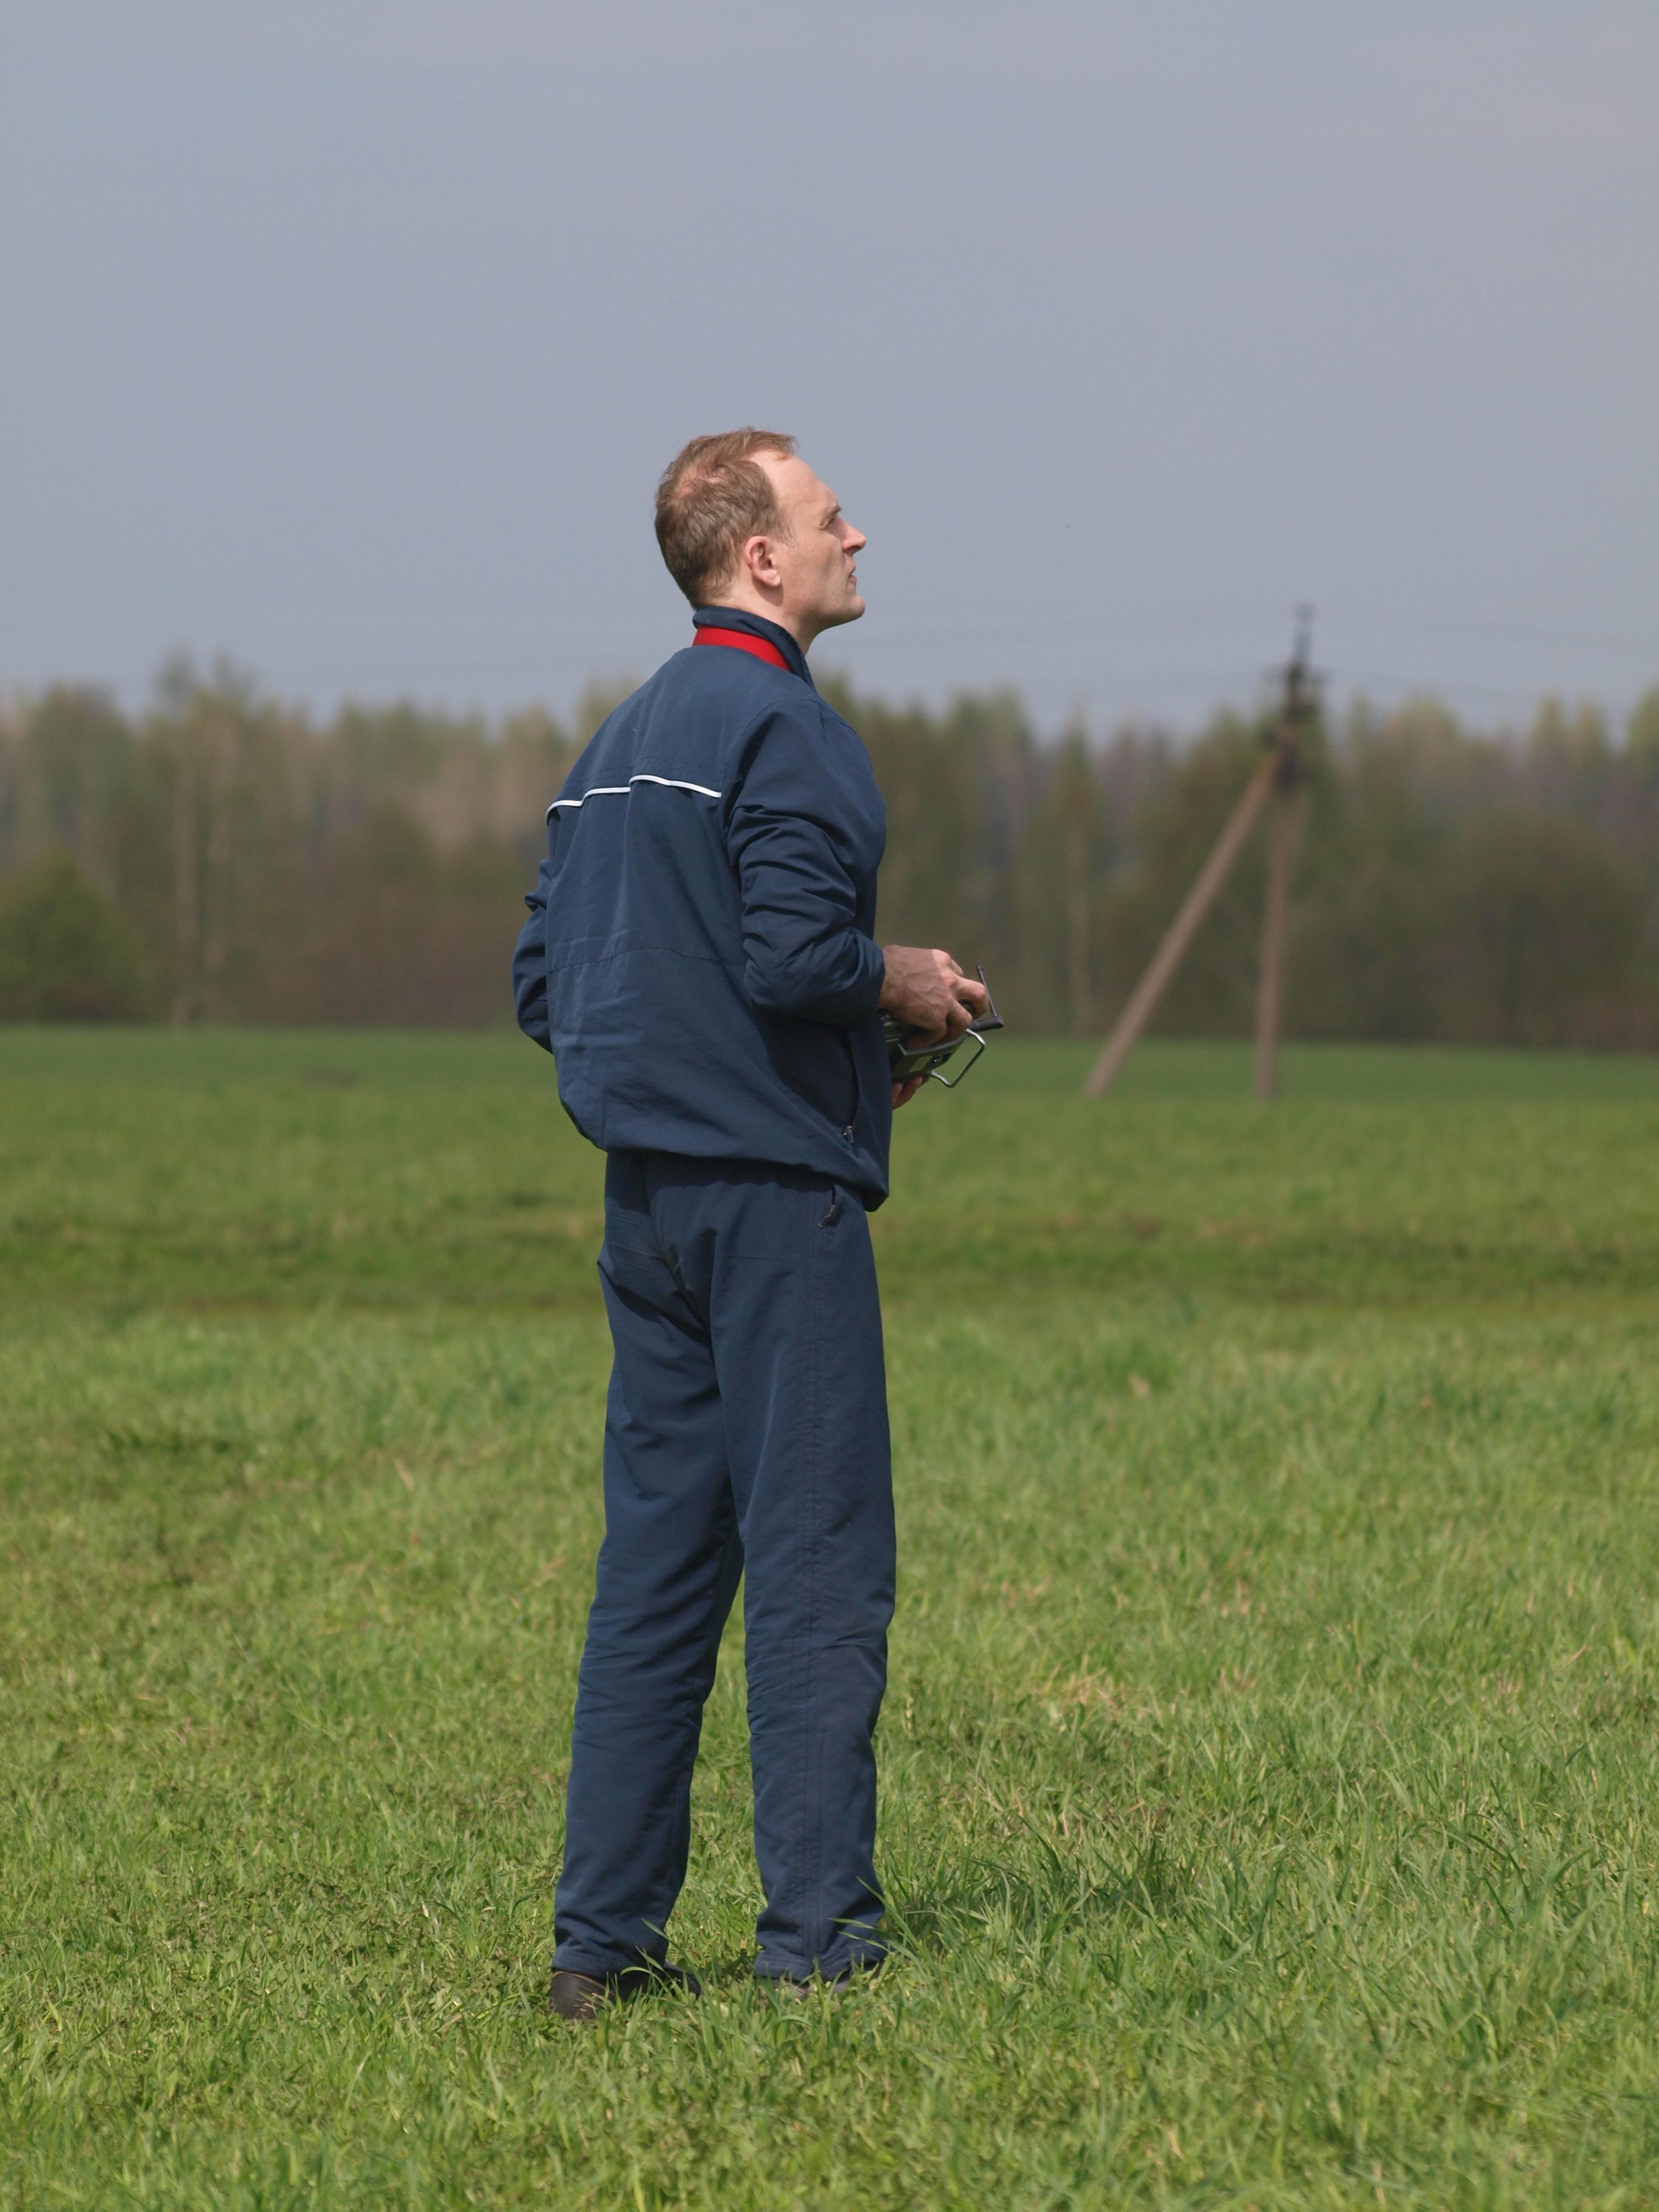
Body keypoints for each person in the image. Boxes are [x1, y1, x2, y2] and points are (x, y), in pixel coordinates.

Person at [512, 429, 988, 2020]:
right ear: (761, 557)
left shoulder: (617, 736)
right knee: (818, 1569)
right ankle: (820, 1949)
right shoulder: (790, 728)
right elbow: (793, 959)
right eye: (832, 515)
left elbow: (545, 984)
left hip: (645, 1206)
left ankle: (599, 1950)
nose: (862, 534)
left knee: (654, 1574)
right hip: (777, 1213)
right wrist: (899, 984)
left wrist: (734, 1066)